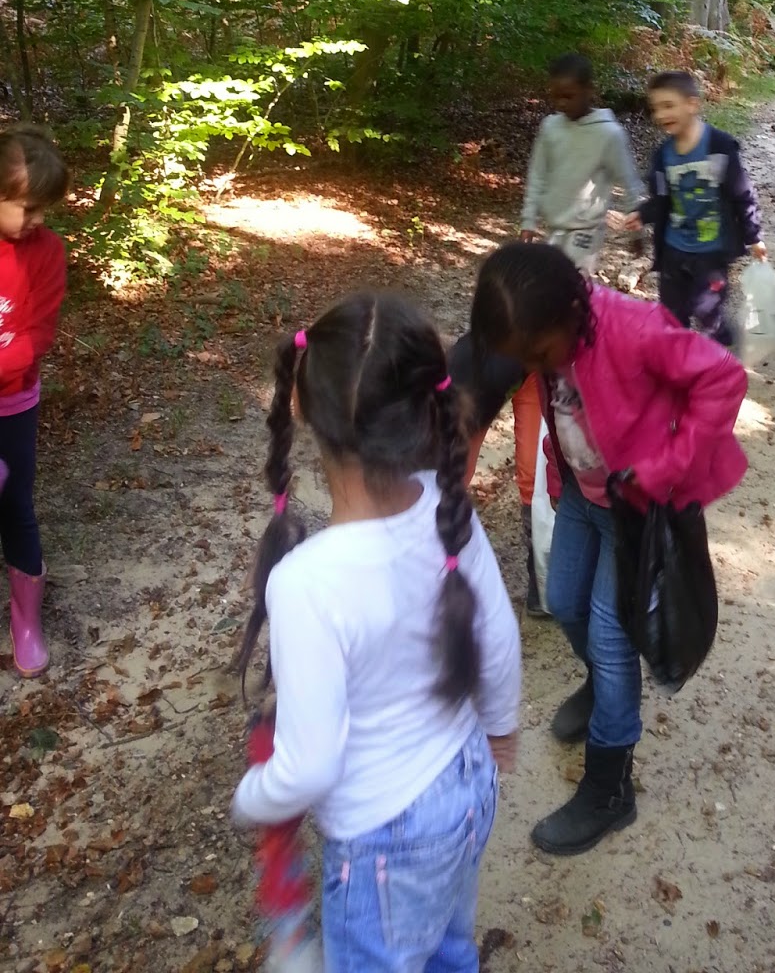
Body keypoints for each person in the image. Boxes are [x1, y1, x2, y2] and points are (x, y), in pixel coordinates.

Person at [231, 292, 522, 972]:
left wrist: (254, 796)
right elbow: (501, 638)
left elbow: (308, 767)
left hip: (385, 839)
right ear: (427, 402)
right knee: (451, 945)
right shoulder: (449, 512)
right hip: (469, 783)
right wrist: (500, 732)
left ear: (301, 407)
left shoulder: (307, 582)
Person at [471, 242, 747, 857]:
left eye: (540, 354)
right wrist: (553, 464)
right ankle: (601, 685)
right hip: (580, 494)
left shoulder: (633, 328)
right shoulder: (543, 341)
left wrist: (665, 467)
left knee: (610, 635)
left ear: (573, 311)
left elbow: (723, 378)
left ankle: (609, 787)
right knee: (563, 601)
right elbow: (561, 410)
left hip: (634, 511)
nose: (537, 365)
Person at [618, 70, 766, 347]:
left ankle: (718, 337)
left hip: (711, 253)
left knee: (706, 309)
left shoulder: (720, 147)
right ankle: (680, 362)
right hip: (674, 249)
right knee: (672, 315)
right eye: (655, 109)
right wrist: (642, 214)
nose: (661, 115)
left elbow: (742, 193)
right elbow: (662, 199)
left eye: (668, 106)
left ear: (692, 104)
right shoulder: (663, 155)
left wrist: (753, 235)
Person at [0, 127, 69, 677]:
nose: (38, 220)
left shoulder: (47, 253)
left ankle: (26, 618)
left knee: (16, 504)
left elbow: (36, 334)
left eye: (44, 209)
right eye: (26, 208)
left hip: (14, 403)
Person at [446, 329, 549, 617]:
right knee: (453, 476)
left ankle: (541, 582)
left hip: (536, 368)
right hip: (486, 374)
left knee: (535, 472)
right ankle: (440, 569)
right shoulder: (465, 375)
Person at [520, 51, 642, 271]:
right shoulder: (550, 127)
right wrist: (528, 220)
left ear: (589, 91)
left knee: (571, 287)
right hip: (555, 227)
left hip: (587, 231)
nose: (561, 103)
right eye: (556, 96)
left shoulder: (609, 134)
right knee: (552, 285)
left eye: (569, 96)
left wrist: (637, 229)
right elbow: (537, 175)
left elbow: (628, 180)